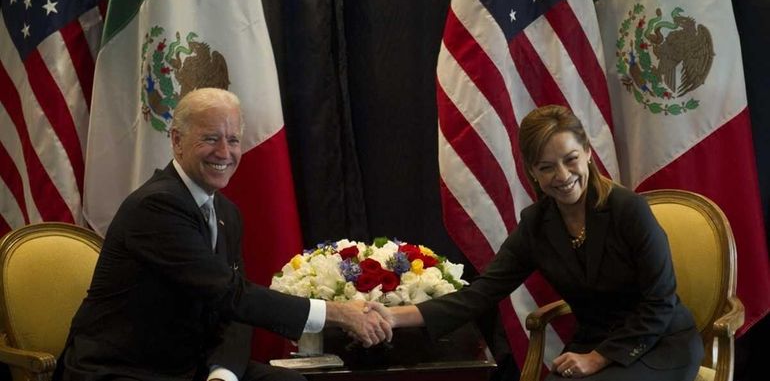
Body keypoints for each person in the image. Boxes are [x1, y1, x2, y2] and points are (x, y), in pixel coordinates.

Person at [55, 88, 391, 381]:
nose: (224, 153)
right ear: (177, 140)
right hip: (126, 369)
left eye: (232, 140)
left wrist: (222, 374)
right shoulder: (157, 206)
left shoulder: (226, 212)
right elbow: (230, 294)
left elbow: (234, 312)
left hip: (190, 367)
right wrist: (336, 312)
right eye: (210, 138)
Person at [377, 105, 703, 380]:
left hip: (657, 343)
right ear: (533, 171)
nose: (562, 175)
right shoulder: (536, 224)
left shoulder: (628, 209)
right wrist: (392, 316)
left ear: (588, 153)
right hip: (593, 342)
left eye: (570, 159)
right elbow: (481, 294)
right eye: (546, 167)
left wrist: (599, 357)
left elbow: (660, 303)